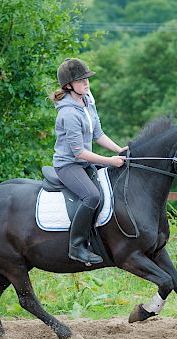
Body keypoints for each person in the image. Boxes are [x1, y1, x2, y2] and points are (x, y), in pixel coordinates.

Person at [50, 58, 127, 265]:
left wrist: (120, 150)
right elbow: (79, 153)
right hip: (68, 165)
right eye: (81, 80)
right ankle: (76, 246)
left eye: (86, 79)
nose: (86, 83)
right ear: (68, 86)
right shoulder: (68, 113)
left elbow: (98, 134)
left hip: (83, 163)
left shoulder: (87, 102)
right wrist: (110, 161)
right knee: (92, 196)